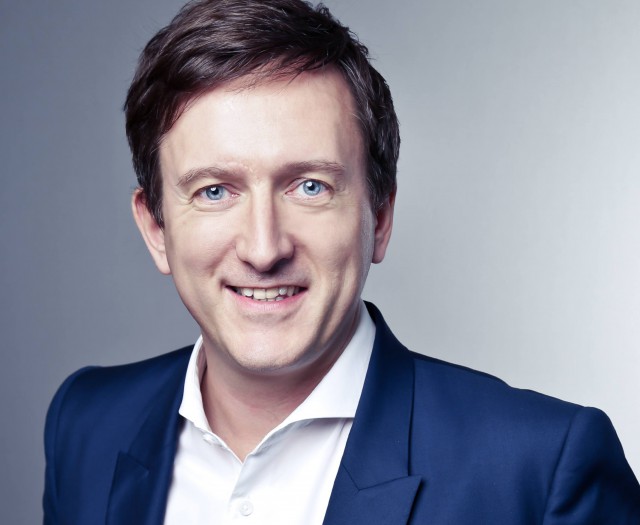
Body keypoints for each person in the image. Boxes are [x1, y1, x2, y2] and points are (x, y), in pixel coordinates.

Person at [43, 0, 640, 523]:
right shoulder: (86, 421)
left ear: (379, 216)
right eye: (215, 191)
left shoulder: (540, 471)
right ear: (155, 228)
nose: (263, 248)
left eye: (310, 187)